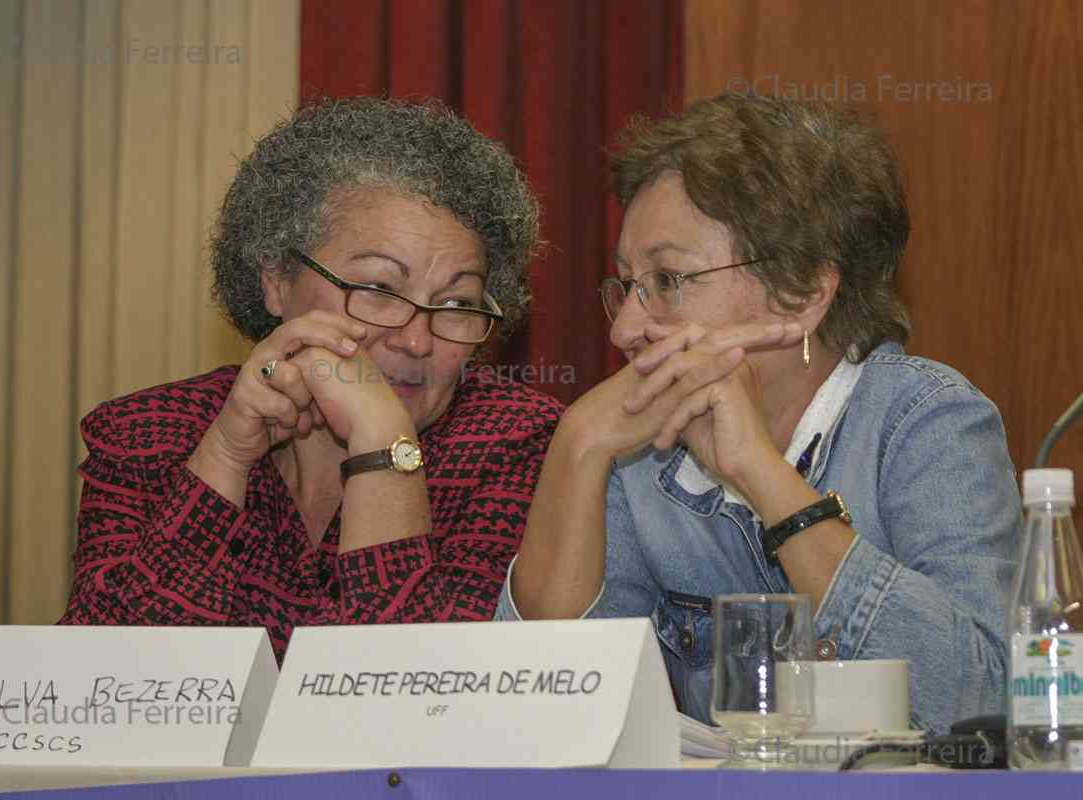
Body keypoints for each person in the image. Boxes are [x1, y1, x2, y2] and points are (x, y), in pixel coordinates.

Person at [496, 93, 1020, 733]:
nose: (626, 328)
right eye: (627, 284)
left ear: (801, 296)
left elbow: (989, 704)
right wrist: (576, 445)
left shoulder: (925, 422)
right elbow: (542, 719)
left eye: (667, 281)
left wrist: (762, 476)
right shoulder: (638, 452)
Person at [60, 97, 563, 661]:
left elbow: (420, 701)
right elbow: (103, 687)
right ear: (277, 281)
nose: (417, 340)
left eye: (456, 303)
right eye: (376, 290)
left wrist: (382, 443)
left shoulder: (516, 445)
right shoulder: (148, 434)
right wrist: (224, 457)